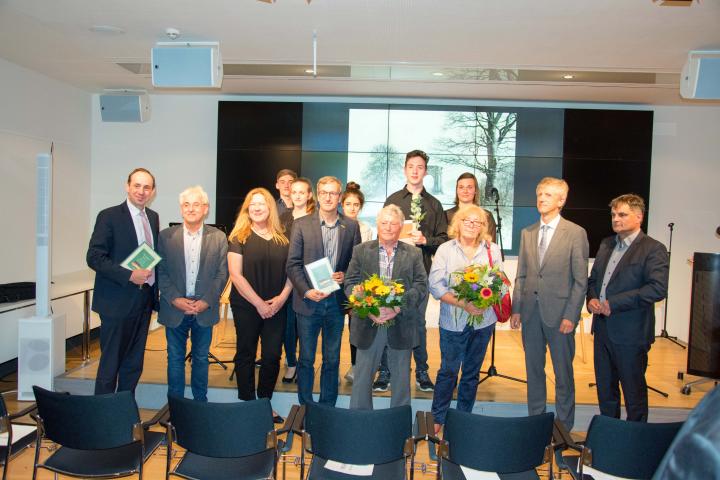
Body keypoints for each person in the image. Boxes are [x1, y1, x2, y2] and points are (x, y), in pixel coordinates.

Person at [510, 177, 588, 431]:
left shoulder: (575, 233)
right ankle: (537, 422)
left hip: (560, 316)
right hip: (531, 314)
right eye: (540, 193)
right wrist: (516, 308)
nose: (541, 198)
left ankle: (564, 427)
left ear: (561, 200)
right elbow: (522, 274)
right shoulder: (527, 232)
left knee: (563, 375)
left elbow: (580, 280)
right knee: (534, 372)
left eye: (548, 195)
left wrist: (571, 316)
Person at [587, 193, 669, 422]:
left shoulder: (653, 248)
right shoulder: (606, 244)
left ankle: (634, 445)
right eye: (613, 214)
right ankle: (610, 438)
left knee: (634, 395)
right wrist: (591, 298)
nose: (616, 219)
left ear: (639, 217)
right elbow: (593, 280)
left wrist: (614, 303)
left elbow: (657, 289)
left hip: (631, 333)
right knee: (606, 392)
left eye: (622, 214)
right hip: (602, 330)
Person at [376, 149, 448, 392]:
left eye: (420, 167)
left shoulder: (434, 204)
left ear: (425, 171)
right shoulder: (393, 199)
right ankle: (384, 372)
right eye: (411, 166)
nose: (415, 170)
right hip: (391, 274)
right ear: (405, 169)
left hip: (420, 275)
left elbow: (444, 239)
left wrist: (424, 240)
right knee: (387, 320)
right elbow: (382, 234)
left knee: (417, 323)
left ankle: (422, 371)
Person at [286, 176, 361, 406]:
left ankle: (327, 407)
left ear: (340, 197)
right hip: (308, 302)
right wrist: (306, 291)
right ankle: (306, 407)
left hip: (336, 304)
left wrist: (345, 275)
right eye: (325, 192)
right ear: (318, 195)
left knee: (332, 359)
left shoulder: (351, 226)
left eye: (334, 193)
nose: (329, 197)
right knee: (306, 359)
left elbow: (356, 265)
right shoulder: (301, 225)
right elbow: (292, 264)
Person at [346, 205, 427, 409]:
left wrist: (398, 307)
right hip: (368, 322)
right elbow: (350, 283)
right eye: (384, 223)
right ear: (377, 224)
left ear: (401, 227)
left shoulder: (414, 253)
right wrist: (370, 308)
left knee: (401, 384)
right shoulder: (361, 251)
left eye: (393, 223)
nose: (388, 227)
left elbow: (421, 286)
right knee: (362, 381)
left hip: (401, 324)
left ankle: (397, 430)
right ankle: (359, 424)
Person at [86, 168, 159, 395]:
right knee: (110, 365)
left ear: (153, 191)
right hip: (116, 303)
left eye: (146, 187)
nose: (141, 191)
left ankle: (125, 411)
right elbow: (94, 257)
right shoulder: (108, 216)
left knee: (133, 365)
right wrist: (128, 275)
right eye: (137, 186)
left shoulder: (153, 217)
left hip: (142, 301)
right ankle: (103, 417)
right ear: (127, 186)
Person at [428, 205, 500, 433]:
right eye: (467, 220)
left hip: (483, 321)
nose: (471, 224)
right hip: (453, 322)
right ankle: (438, 417)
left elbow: (498, 284)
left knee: (471, 373)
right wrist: (463, 304)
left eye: (477, 222)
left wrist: (482, 303)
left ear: (483, 227)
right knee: (448, 371)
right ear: (457, 223)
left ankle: (462, 419)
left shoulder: (492, 249)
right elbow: (435, 285)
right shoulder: (445, 250)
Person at [156, 186, 228, 401]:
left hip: (204, 309)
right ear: (181, 209)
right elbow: (160, 271)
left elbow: (221, 274)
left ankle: (199, 405)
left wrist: (207, 301)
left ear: (205, 208)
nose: (191, 209)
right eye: (186, 204)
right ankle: (176, 406)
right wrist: (175, 299)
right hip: (174, 307)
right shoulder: (165, 236)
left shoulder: (219, 237)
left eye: (196, 204)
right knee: (175, 358)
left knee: (201, 358)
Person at [228, 187, 292, 422]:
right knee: (245, 353)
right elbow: (236, 275)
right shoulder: (239, 237)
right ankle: (247, 403)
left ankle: (264, 403)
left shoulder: (283, 237)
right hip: (247, 305)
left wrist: (282, 297)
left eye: (261, 204)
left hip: (277, 305)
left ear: (270, 209)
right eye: (252, 204)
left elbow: (291, 272)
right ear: (247, 208)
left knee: (272, 356)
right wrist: (259, 304)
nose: (256, 208)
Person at [279, 177, 315, 383]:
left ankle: (305, 363)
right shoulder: (283, 217)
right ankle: (291, 363)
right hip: (284, 278)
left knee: (305, 326)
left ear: (309, 195)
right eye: (294, 192)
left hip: (306, 279)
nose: (298, 195)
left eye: (302, 192)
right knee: (288, 326)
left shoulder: (315, 218)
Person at [341, 181, 374, 382]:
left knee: (357, 326)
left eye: (356, 205)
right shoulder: (335, 223)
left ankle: (356, 366)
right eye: (348, 204)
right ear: (341, 204)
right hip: (335, 282)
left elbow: (367, 260)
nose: (352, 208)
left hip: (356, 283)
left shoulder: (366, 228)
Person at [444, 172, 497, 242]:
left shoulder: (486, 216)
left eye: (469, 187)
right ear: (457, 190)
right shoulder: (445, 215)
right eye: (461, 187)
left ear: (475, 190)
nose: (465, 191)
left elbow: (490, 245)